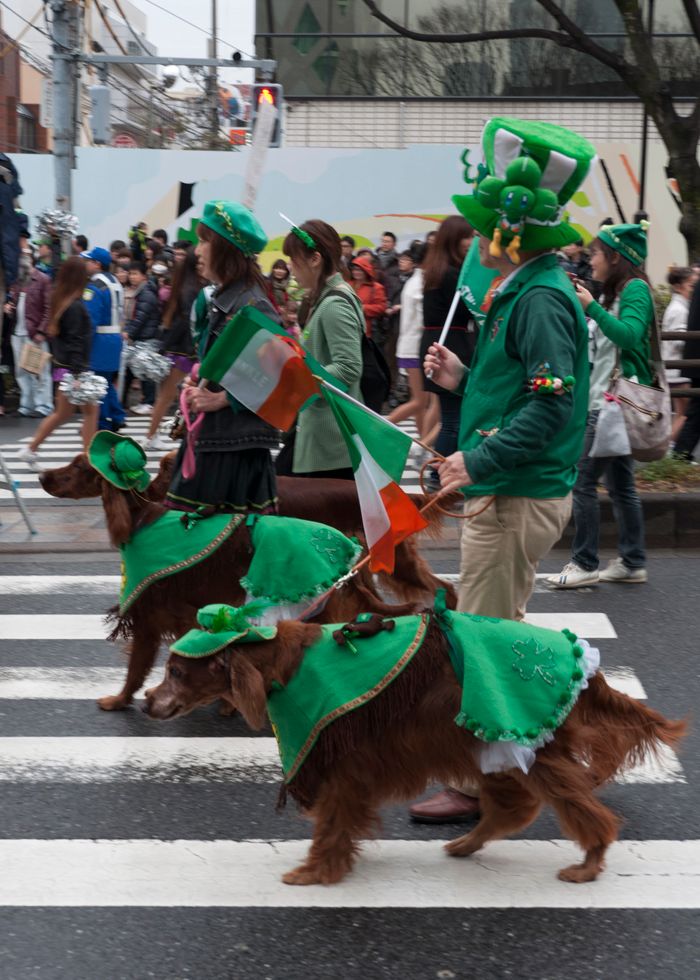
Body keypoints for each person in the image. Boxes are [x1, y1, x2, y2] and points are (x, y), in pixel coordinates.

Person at [410, 117, 594, 823]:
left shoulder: (540, 298)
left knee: (483, 640)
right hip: (510, 485)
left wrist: (474, 457)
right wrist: (458, 378)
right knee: (497, 629)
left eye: (491, 226)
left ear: (513, 234)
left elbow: (551, 408)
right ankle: (542, 749)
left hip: (513, 489)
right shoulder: (530, 290)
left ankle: (483, 783)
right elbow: (522, 391)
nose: (483, 237)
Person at [548, 222, 654, 589]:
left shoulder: (636, 289)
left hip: (614, 404)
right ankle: (632, 560)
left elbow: (630, 334)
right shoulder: (614, 292)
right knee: (621, 485)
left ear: (616, 257)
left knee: (583, 483)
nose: (590, 259)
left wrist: (592, 307)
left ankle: (585, 561)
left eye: (595, 253)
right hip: (604, 401)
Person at [165, 200, 280, 515]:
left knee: (219, 550)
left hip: (235, 449)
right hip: (217, 441)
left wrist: (220, 400)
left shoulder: (253, 305)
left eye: (205, 241)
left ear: (227, 250)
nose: (197, 251)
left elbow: (276, 378)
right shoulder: (225, 299)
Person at [280, 219, 364, 480]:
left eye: (294, 261)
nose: (292, 270)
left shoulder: (334, 304)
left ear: (315, 259)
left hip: (332, 442)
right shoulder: (325, 298)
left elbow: (349, 366)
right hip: (323, 437)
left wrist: (302, 380)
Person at [18, 257, 97, 467]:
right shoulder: (75, 306)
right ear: (80, 277)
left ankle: (31, 449)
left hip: (63, 366)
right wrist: (80, 374)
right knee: (89, 411)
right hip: (74, 369)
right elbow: (77, 341)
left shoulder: (61, 300)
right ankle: (88, 460)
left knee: (63, 413)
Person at [419, 215, 477, 481]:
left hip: (436, 342)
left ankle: (437, 471)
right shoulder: (454, 274)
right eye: (468, 236)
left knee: (450, 417)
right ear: (455, 240)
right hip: (452, 345)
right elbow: (471, 309)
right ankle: (438, 474)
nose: (473, 241)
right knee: (453, 420)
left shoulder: (435, 270)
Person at [143, 248, 201, 451]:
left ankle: (155, 435)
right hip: (183, 350)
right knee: (168, 396)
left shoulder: (184, 285)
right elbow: (185, 322)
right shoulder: (192, 288)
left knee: (170, 396)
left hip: (179, 349)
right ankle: (151, 436)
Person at [387, 242, 431, 439]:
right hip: (415, 348)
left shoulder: (414, 281)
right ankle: (378, 427)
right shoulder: (420, 284)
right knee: (420, 401)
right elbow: (425, 319)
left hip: (409, 347)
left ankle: (425, 443)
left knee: (420, 402)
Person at [7, 233, 53, 418]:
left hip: (34, 333)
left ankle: (44, 405)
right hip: (18, 333)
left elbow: (49, 308)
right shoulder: (17, 282)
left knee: (40, 370)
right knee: (22, 371)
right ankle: (26, 404)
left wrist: (42, 331)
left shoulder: (42, 280)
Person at [82, 246, 126, 433]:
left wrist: (83, 344)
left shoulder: (94, 287)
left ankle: (102, 422)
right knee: (106, 381)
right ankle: (117, 416)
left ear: (97, 264)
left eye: (88, 261)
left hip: (100, 339)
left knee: (96, 384)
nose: (85, 264)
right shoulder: (115, 281)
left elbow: (90, 319)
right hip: (115, 336)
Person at [668, 275, 700, 462]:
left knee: (693, 411)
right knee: (693, 412)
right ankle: (679, 455)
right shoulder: (678, 308)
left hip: (693, 357)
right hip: (695, 357)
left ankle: (680, 455)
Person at [662, 266, 695, 443]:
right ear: (679, 286)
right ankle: (671, 451)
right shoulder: (679, 310)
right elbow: (678, 340)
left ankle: (670, 451)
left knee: (682, 414)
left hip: (675, 370)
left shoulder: (679, 307)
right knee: (685, 415)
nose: (694, 289)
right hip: (678, 371)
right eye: (691, 285)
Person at [123, 260, 160, 415]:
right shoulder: (141, 292)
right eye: (130, 273)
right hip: (141, 338)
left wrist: (129, 333)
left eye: (135, 274)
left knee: (145, 371)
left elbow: (140, 318)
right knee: (135, 370)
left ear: (144, 276)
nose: (132, 277)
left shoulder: (146, 294)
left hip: (146, 338)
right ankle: (125, 400)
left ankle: (149, 402)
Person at [349, 254, 388, 338]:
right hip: (347, 328)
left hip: (366, 332)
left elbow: (381, 307)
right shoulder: (347, 285)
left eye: (359, 270)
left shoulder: (376, 288)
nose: (356, 272)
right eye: (355, 270)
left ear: (366, 271)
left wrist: (363, 308)